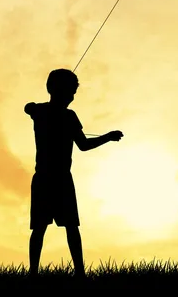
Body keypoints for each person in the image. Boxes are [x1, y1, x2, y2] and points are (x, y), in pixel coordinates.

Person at [24, 68, 123, 279]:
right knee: (64, 227)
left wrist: (31, 107)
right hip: (57, 179)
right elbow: (84, 145)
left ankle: (44, 273)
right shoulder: (67, 116)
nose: (72, 96)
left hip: (46, 178)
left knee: (51, 227)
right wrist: (108, 137)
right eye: (70, 92)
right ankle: (76, 273)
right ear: (59, 91)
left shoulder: (40, 112)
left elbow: (28, 108)